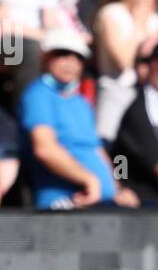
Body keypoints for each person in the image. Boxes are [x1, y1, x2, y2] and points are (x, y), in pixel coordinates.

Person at [20, 28, 139, 209]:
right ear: (45, 57)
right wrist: (89, 179)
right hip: (66, 204)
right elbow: (45, 149)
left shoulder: (81, 102)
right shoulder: (38, 95)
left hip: (102, 202)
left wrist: (118, 189)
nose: (71, 63)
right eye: (62, 54)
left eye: (78, 57)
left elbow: (97, 150)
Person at [91, 0, 158, 143]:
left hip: (145, 92)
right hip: (115, 89)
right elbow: (123, 61)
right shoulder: (112, 14)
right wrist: (138, 24)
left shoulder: (153, 18)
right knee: (108, 143)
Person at [112, 37, 158, 207]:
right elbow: (119, 158)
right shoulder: (146, 109)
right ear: (154, 66)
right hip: (148, 206)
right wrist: (120, 185)